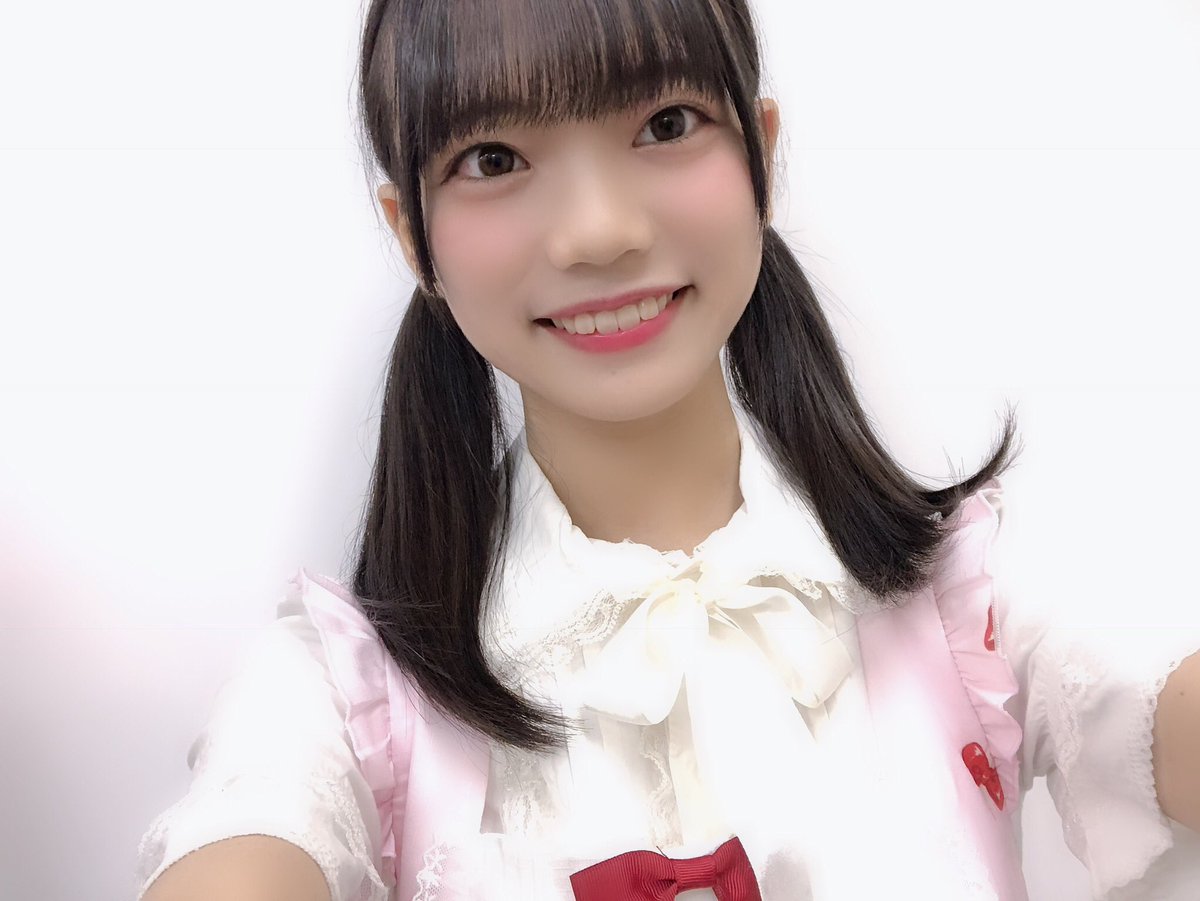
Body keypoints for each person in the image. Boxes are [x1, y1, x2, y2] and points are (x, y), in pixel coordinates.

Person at [134, 0, 1200, 899]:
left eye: (666, 122)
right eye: (494, 158)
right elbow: (249, 830)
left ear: (763, 154)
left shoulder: (974, 596)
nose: (598, 230)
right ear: (412, 235)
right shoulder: (340, 692)